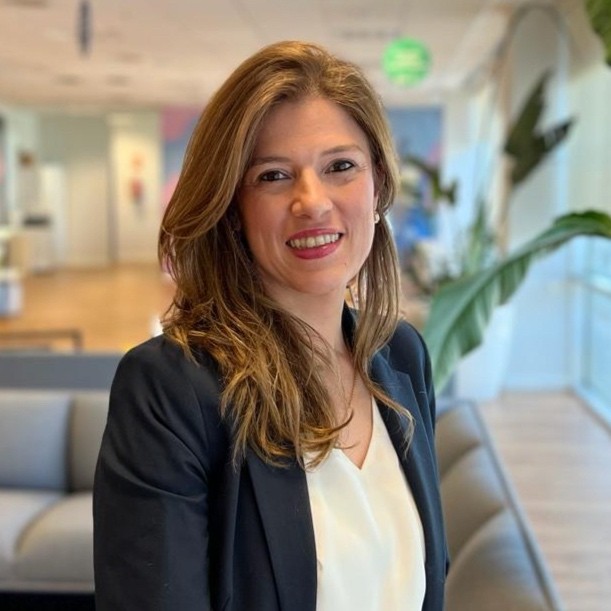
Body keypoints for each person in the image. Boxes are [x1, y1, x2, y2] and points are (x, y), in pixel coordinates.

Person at [93, 40, 448, 611]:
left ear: (378, 184)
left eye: (340, 167)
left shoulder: (401, 354)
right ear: (232, 206)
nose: (312, 202)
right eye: (274, 176)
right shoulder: (170, 391)